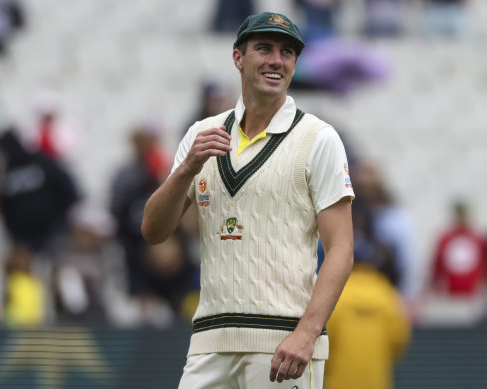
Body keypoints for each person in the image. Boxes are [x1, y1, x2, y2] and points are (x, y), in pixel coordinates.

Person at [142, 12, 355, 388]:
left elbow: (340, 249)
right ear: (238, 58)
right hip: (209, 342)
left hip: (283, 342)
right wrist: (187, 168)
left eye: (287, 52)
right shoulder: (201, 134)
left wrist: (306, 333)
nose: (277, 60)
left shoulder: (318, 138)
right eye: (264, 48)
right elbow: (154, 231)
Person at [324, 240, 411, 389]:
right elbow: (399, 339)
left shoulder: (336, 296)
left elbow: (324, 339)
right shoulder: (387, 295)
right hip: (377, 381)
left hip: (338, 382)